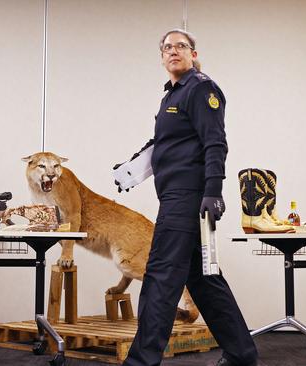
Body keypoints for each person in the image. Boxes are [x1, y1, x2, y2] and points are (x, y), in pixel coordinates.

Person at [120, 29, 258, 366]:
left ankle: (141, 361)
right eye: (167, 47)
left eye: (181, 46)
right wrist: (136, 164)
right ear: (162, 57)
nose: (173, 51)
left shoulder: (200, 89)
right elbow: (175, 144)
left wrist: (213, 191)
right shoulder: (172, 95)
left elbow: (215, 142)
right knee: (205, 279)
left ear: (193, 54)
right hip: (177, 197)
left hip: (188, 199)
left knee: (160, 277)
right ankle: (241, 354)